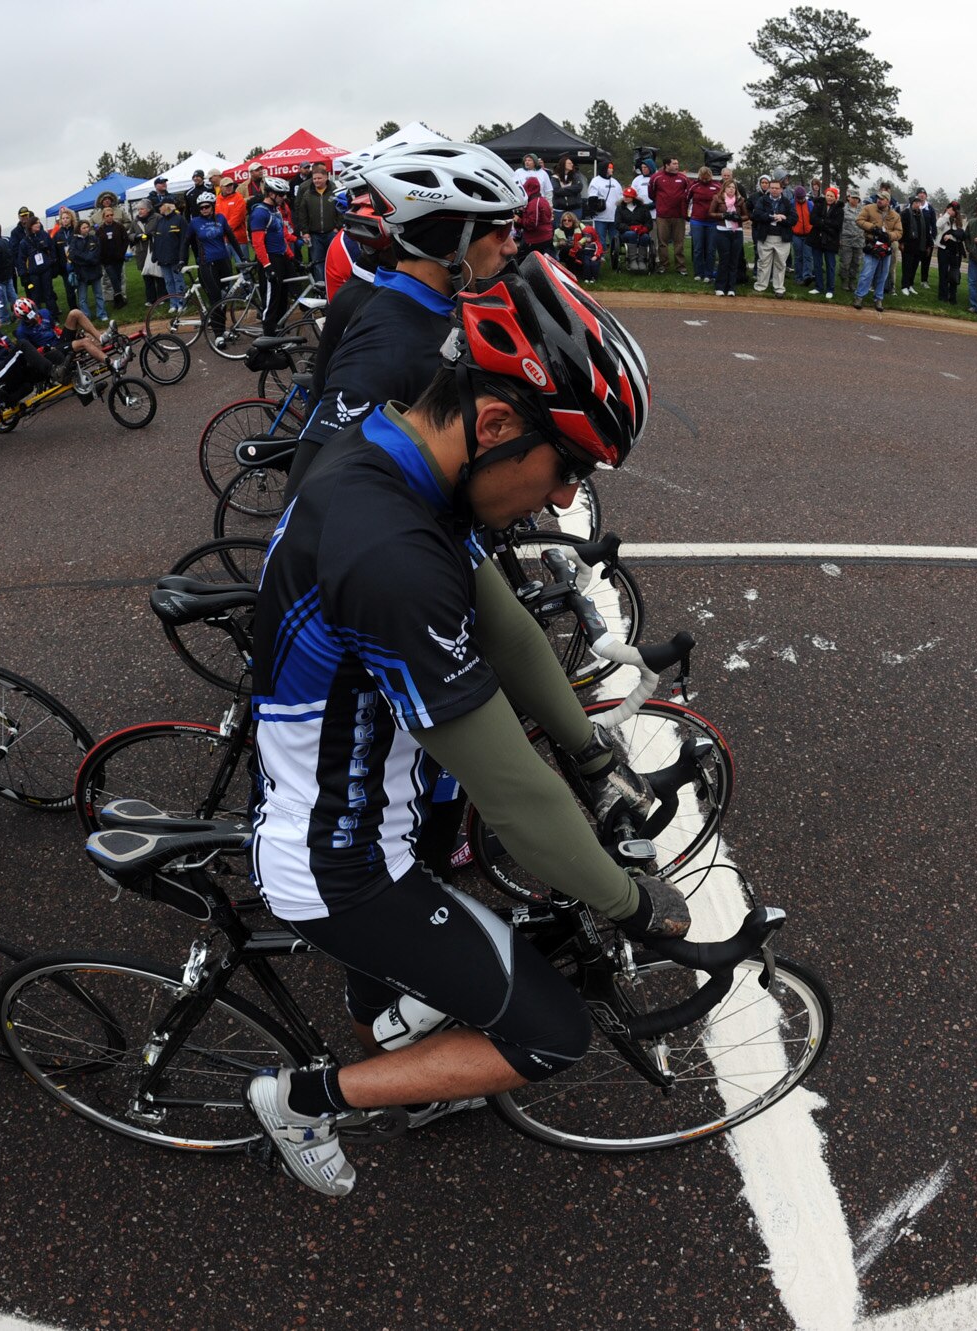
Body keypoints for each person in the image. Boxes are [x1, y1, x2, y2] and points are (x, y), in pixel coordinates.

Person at [243, 255, 687, 1197]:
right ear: (493, 422)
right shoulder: (391, 552)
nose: (569, 496)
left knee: (420, 965)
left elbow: (511, 633)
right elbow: (515, 799)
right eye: (567, 464)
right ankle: (306, 1098)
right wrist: (632, 906)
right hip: (346, 865)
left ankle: (391, 1029)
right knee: (551, 1032)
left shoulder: (397, 461)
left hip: (352, 805)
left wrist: (590, 753)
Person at [286, 140, 520, 497]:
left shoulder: (430, 306)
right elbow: (308, 493)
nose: (512, 246)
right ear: (450, 242)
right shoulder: (390, 341)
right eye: (501, 230)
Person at [186, 191, 244, 343]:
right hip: (207, 264)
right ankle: (218, 335)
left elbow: (232, 238)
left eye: (206, 206)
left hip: (223, 262)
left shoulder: (221, 218)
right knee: (216, 298)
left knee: (225, 296)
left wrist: (242, 257)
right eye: (201, 207)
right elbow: (185, 242)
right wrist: (181, 260)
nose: (204, 209)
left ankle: (222, 329)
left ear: (212, 206)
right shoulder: (195, 222)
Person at [251, 177, 298, 331]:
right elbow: (258, 244)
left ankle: (278, 334)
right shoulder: (260, 213)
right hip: (270, 259)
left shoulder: (276, 210)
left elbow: (282, 236)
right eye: (281, 194)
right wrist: (267, 266)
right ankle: (267, 340)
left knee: (283, 300)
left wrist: (291, 255)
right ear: (271, 194)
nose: (284, 197)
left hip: (281, 257)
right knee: (271, 303)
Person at [853, 187, 902, 311]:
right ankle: (859, 296)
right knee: (867, 272)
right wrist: (873, 228)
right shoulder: (868, 208)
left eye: (882, 199)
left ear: (888, 201)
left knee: (883, 274)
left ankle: (878, 298)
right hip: (872, 244)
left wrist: (889, 235)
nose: (879, 200)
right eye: (878, 198)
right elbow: (859, 220)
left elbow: (899, 232)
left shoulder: (895, 215)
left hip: (886, 247)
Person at [295, 162, 341, 284]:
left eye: (319, 178)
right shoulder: (307, 194)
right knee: (317, 263)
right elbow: (302, 213)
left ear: (326, 177)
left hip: (332, 233)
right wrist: (305, 232)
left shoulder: (335, 192)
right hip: (315, 236)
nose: (316, 181)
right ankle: (321, 289)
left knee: (335, 261)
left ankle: (335, 285)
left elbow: (341, 210)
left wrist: (338, 227)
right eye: (314, 178)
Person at [751, 176, 794, 297]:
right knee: (763, 262)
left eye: (777, 188)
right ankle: (761, 285)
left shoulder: (787, 202)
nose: (774, 190)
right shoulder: (762, 200)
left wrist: (782, 218)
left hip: (782, 238)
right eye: (772, 188)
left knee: (780, 264)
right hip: (766, 236)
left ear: (781, 190)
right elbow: (756, 214)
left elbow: (794, 219)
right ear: (769, 189)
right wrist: (770, 217)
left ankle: (779, 287)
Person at [649, 156, 690, 276]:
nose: (677, 166)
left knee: (679, 242)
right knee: (663, 242)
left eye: (677, 163)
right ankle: (663, 265)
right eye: (674, 164)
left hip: (679, 215)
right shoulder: (656, 177)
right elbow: (652, 194)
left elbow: (688, 193)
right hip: (662, 215)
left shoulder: (683, 178)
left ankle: (681, 267)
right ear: (667, 165)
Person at [709, 177, 748, 297]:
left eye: (733, 188)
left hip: (736, 232)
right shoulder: (717, 198)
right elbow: (711, 213)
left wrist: (739, 218)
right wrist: (722, 215)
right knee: (724, 259)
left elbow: (746, 215)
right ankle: (720, 286)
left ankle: (731, 287)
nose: (731, 189)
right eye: (729, 187)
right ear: (724, 188)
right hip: (722, 231)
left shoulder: (740, 201)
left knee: (734, 260)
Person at [95, 194, 132, 311]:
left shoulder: (119, 227)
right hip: (106, 259)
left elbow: (125, 240)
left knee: (119, 278)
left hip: (118, 257)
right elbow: (97, 244)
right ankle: (118, 298)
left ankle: (119, 299)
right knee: (113, 278)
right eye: (107, 216)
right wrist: (101, 257)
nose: (110, 217)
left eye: (111, 215)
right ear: (103, 217)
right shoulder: (100, 230)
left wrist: (122, 253)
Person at [66, 219, 105, 323]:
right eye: (83, 228)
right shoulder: (74, 241)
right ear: (79, 229)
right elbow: (73, 255)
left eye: (87, 227)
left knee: (99, 294)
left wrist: (89, 258)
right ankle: (86, 317)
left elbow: (97, 252)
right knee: (82, 297)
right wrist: (87, 258)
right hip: (81, 272)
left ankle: (102, 314)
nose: (86, 229)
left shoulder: (93, 238)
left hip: (94, 270)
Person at [808, 186, 844, 297]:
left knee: (830, 265)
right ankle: (818, 287)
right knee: (817, 265)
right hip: (817, 239)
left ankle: (830, 289)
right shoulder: (818, 205)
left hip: (831, 240)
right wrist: (827, 223)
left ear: (835, 197)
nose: (829, 198)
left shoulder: (839, 209)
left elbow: (837, 225)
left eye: (832, 196)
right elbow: (812, 219)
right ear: (825, 195)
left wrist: (823, 222)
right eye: (828, 195)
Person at [585, 162, 622, 268]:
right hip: (600, 216)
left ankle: (615, 255)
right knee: (600, 237)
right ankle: (601, 255)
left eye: (612, 168)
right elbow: (592, 197)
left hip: (614, 216)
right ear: (604, 169)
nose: (612, 170)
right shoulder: (595, 181)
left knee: (615, 237)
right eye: (610, 168)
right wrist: (591, 209)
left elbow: (620, 197)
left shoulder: (615, 182)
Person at [899, 189, 935, 294]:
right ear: (912, 203)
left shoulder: (921, 215)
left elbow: (926, 230)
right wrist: (901, 242)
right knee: (907, 266)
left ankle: (910, 285)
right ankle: (904, 286)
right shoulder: (905, 213)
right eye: (915, 202)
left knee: (914, 266)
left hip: (919, 245)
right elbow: (902, 229)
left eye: (919, 202)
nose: (918, 204)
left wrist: (929, 244)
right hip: (908, 245)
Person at [933, 202, 966, 305]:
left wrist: (951, 236)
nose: (953, 211)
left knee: (954, 273)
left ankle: (953, 295)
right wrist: (947, 215)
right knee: (943, 273)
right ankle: (943, 295)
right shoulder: (944, 218)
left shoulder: (960, 221)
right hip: (943, 248)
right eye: (951, 209)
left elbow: (961, 234)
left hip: (955, 250)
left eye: (954, 210)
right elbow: (938, 225)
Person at [517, 176, 555, 259]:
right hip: (546, 237)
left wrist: (518, 220)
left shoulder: (534, 203)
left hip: (536, 239)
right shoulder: (543, 200)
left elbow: (532, 224)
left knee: (522, 261)